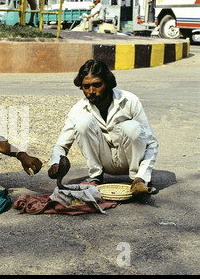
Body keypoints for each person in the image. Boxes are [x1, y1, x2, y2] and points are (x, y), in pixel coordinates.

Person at [47, 60, 158, 192]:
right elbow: (61, 145)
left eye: (97, 85)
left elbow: (151, 143)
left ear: (108, 83)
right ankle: (95, 177)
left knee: (132, 127)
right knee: (83, 122)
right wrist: (55, 162)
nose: (91, 91)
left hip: (131, 161)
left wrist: (142, 176)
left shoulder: (129, 100)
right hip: (103, 162)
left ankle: (137, 180)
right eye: (86, 87)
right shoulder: (79, 109)